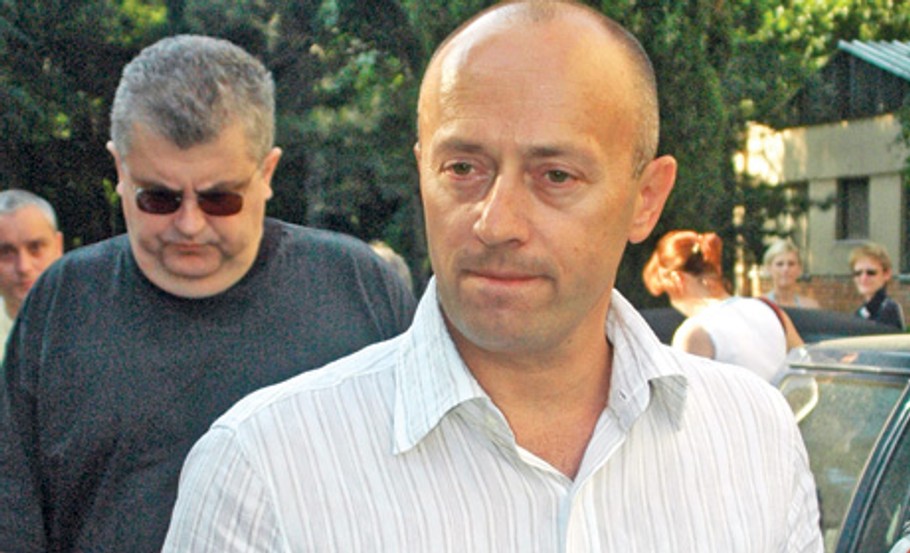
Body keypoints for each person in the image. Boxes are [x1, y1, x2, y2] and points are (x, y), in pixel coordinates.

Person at [164, 3, 823, 551]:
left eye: (556, 175)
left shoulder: (752, 437)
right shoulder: (264, 472)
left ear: (646, 199)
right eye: (463, 169)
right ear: (422, 172)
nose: (497, 221)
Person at [0, 35, 416, 553]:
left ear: (267, 173)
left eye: (219, 198)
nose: (189, 224)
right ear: (120, 170)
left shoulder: (358, 288)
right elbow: (13, 509)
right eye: (159, 198)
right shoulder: (63, 303)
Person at [644, 230, 803, 381]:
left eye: (667, 292)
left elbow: (687, 397)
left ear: (678, 280)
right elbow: (806, 367)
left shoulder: (694, 333)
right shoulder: (772, 310)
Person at [0, 189, 64, 359]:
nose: (23, 267)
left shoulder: (96, 320)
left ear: (58, 246)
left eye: (35, 248)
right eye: (6, 252)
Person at [850, 241, 905, 330]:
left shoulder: (889, 309)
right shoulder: (862, 312)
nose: (863, 278)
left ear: (886, 274)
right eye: (858, 273)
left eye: (871, 272)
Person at [762, 238, 820, 308]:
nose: (786, 269)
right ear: (769, 269)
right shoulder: (759, 305)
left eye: (791, 264)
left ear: (799, 269)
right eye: (780, 264)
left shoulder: (810, 307)